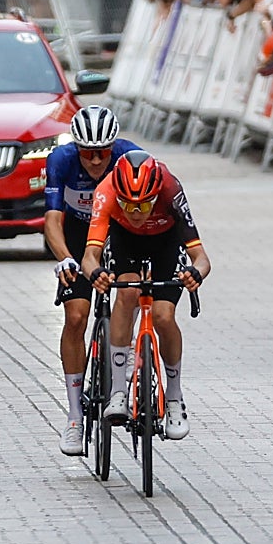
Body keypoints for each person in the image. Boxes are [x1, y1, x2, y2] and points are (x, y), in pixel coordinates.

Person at [81, 150, 211, 441]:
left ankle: (174, 398)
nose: (135, 213)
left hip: (166, 242)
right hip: (125, 241)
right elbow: (90, 256)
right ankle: (118, 391)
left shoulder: (171, 190)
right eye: (127, 205)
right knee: (127, 294)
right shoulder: (105, 192)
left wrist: (195, 274)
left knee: (164, 316)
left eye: (143, 205)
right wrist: (96, 273)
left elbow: (201, 258)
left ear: (156, 195)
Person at [44, 106, 139, 455]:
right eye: (88, 152)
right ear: (77, 148)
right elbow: (52, 220)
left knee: (130, 293)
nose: (97, 160)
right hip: (77, 233)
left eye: (103, 152)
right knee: (76, 316)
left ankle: (123, 355)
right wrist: (64, 257)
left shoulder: (131, 157)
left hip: (119, 233)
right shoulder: (60, 160)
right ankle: (74, 416)